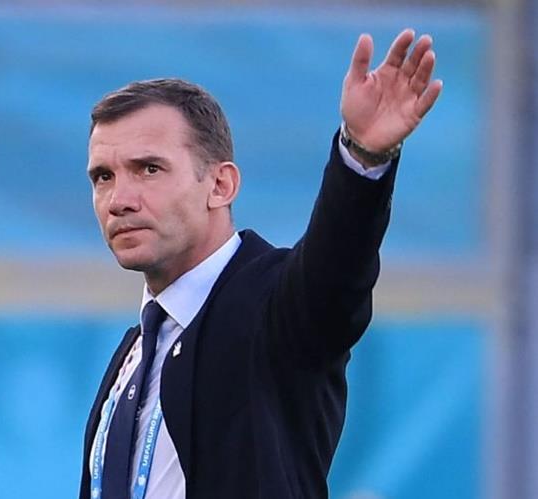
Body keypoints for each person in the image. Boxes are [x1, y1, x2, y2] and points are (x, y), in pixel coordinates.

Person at [79, 29, 443, 499]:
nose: (119, 200)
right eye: (103, 177)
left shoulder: (275, 306)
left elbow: (336, 269)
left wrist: (362, 156)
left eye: (149, 169)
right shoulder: (133, 353)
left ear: (221, 186)